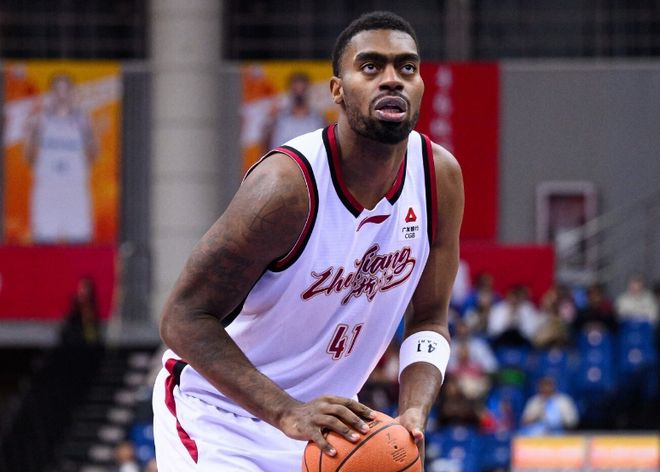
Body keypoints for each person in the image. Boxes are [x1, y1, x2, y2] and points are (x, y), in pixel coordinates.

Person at [152, 11, 464, 472]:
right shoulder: (285, 188)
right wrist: (285, 412)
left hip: (324, 427)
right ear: (337, 90)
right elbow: (182, 319)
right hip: (221, 419)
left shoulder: (439, 179)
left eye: (407, 67)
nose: (392, 79)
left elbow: (431, 319)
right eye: (371, 66)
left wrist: (414, 409)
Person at [24, 73, 98, 243]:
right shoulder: (40, 120)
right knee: (44, 242)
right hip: (48, 190)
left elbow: (93, 152)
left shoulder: (83, 120)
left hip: (74, 191)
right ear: (51, 93)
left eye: (66, 90)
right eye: (57, 90)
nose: (62, 95)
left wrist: (79, 171)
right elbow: (29, 155)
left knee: (80, 242)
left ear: (72, 92)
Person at [264, 71, 327, 149]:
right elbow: (267, 146)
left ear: (309, 90)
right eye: (295, 89)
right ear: (290, 90)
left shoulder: (318, 120)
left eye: (303, 89)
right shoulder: (278, 120)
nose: (299, 93)